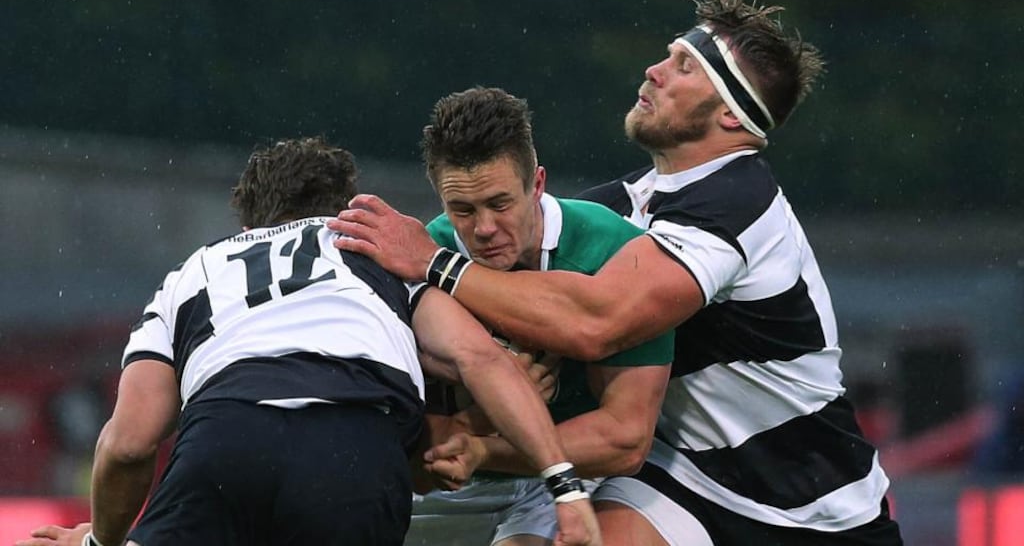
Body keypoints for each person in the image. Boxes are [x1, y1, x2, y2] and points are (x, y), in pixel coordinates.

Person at [329, 0, 905, 546]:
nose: (656, 69)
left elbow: (597, 322)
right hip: (683, 481)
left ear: (732, 118)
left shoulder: (737, 203)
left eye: (684, 66)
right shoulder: (626, 203)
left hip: (818, 504)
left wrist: (434, 263)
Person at [17, 137, 599, 546]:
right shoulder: (374, 253)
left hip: (226, 443)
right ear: (343, 210)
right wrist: (564, 487)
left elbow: (128, 445)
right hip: (353, 454)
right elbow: (479, 360)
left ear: (247, 225)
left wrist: (102, 541)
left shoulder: (193, 272)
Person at [403, 87, 674, 546]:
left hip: (581, 480)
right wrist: (488, 409)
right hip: (460, 487)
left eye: (500, 203)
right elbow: (423, 462)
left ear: (538, 184)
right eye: (462, 210)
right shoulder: (420, 264)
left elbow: (626, 441)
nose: (484, 229)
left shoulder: (616, 252)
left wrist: (484, 443)